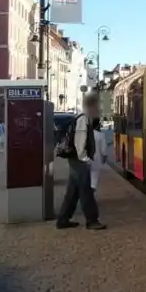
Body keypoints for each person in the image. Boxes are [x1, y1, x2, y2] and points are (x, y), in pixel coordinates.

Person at [56, 94, 106, 230]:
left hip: (76, 160)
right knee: (86, 191)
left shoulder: (85, 119)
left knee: (73, 191)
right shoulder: (83, 120)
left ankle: (63, 219)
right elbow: (80, 141)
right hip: (79, 161)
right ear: (92, 106)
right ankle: (92, 220)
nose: (99, 109)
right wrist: (85, 159)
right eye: (98, 106)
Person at [90, 116, 107, 193]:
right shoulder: (100, 135)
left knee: (87, 178)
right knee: (94, 180)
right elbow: (104, 150)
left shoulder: (85, 133)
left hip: (85, 160)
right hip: (96, 160)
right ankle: (90, 195)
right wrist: (104, 158)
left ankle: (87, 196)